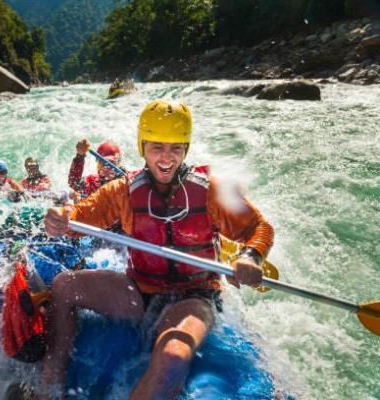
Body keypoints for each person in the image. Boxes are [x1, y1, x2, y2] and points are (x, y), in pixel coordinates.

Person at [41, 100, 274, 399]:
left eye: (176, 148)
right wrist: (59, 218)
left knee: (173, 356)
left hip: (194, 296)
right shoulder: (123, 189)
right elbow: (78, 217)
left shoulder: (211, 190)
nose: (166, 158)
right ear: (143, 147)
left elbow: (260, 228)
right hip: (138, 292)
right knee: (63, 286)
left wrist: (251, 255)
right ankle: (48, 389)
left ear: (186, 150)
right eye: (157, 147)